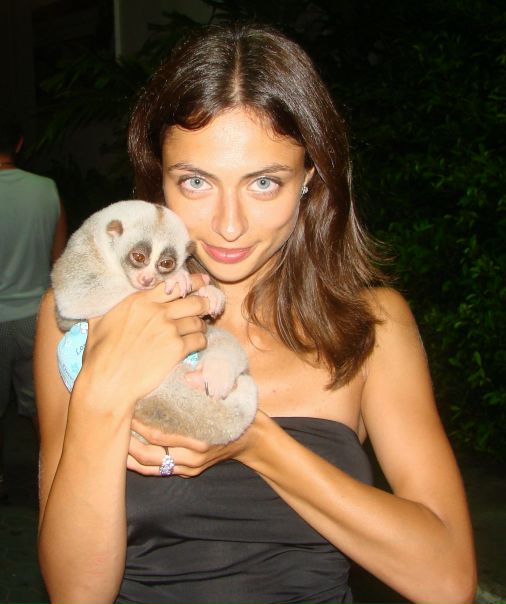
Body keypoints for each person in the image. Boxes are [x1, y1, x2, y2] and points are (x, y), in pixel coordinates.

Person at [34, 23, 476, 604]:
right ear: (159, 177)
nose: (229, 225)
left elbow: (447, 581)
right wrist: (101, 395)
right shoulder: (81, 318)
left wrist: (253, 440)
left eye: (264, 182)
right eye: (196, 181)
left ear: (309, 177)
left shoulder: (370, 324)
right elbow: (75, 593)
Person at [0, 111, 66, 501]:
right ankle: (50, 478)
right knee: (43, 408)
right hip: (35, 318)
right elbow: (60, 259)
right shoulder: (45, 189)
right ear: (20, 144)